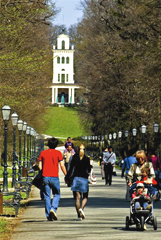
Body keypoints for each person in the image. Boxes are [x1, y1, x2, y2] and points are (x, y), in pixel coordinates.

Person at [39, 137, 67, 221]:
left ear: (48, 144)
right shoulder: (58, 153)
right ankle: (53, 209)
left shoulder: (43, 153)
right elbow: (62, 165)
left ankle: (48, 215)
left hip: (45, 177)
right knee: (57, 194)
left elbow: (40, 166)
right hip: (54, 176)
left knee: (47, 196)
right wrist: (66, 175)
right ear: (56, 145)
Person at [65, 144, 91, 220]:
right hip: (84, 179)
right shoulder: (86, 159)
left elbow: (70, 169)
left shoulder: (74, 158)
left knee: (77, 198)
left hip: (76, 178)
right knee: (85, 197)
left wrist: (67, 177)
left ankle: (79, 216)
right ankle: (81, 209)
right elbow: (88, 170)